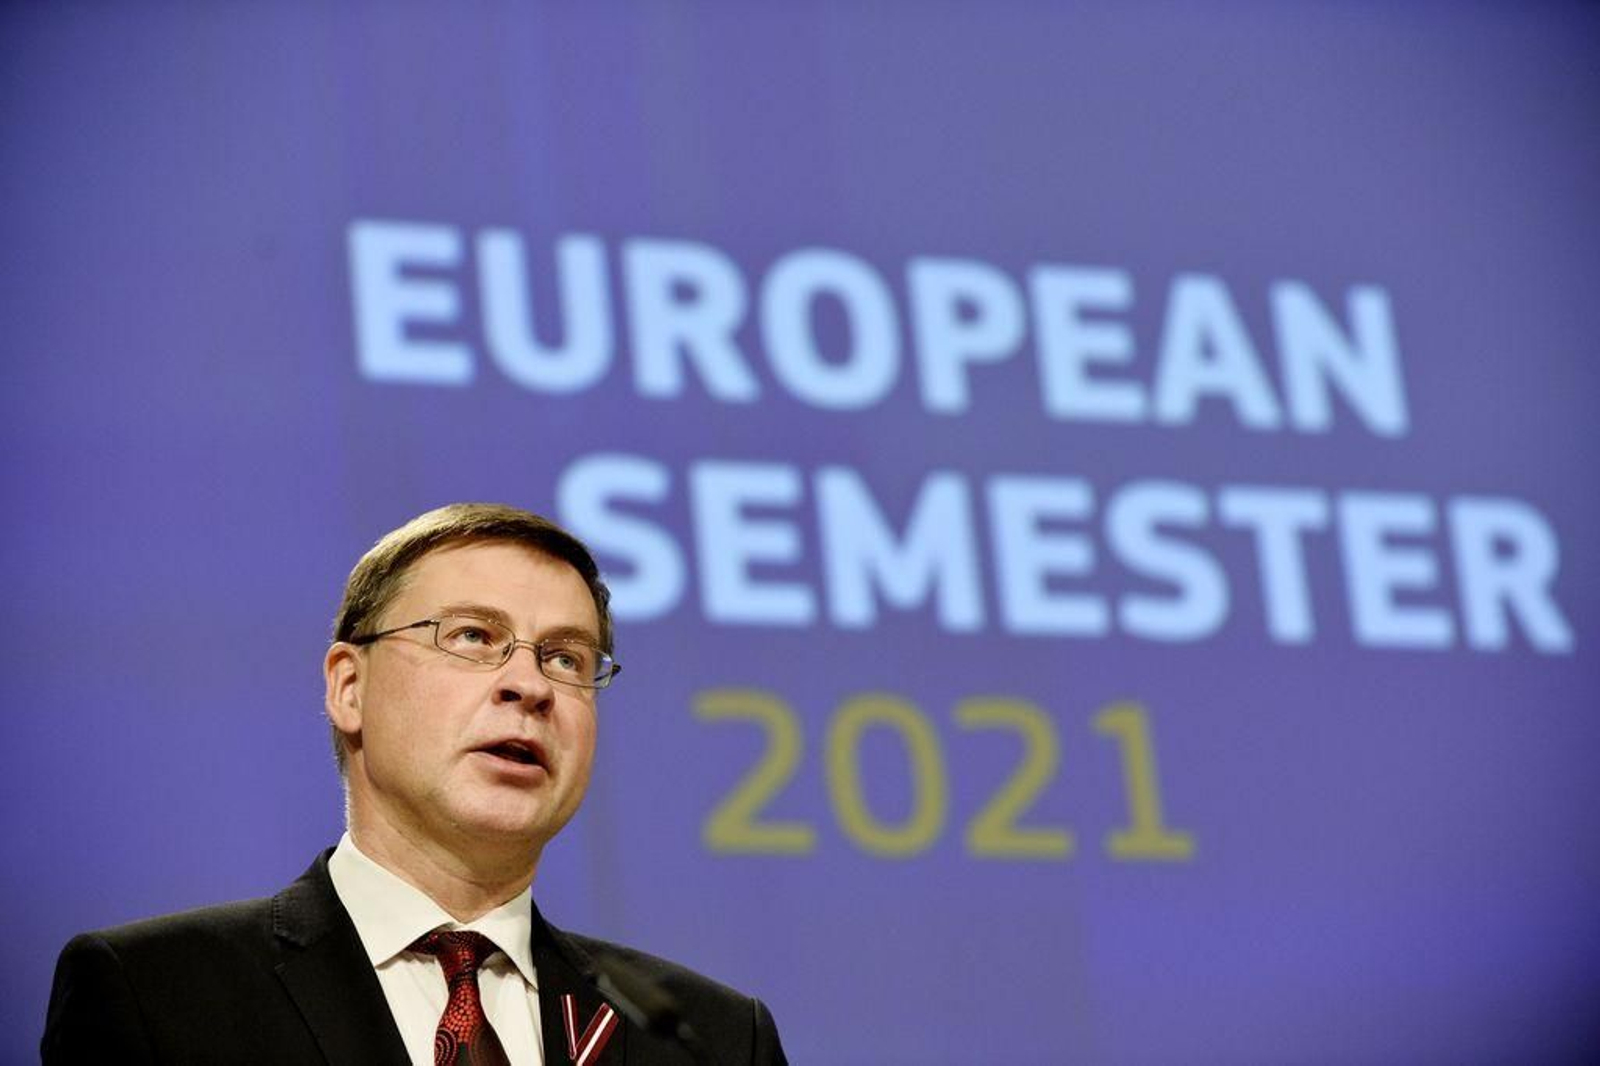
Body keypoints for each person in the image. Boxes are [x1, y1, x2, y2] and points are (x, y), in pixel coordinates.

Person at [42, 503, 788, 1065]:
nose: (530, 685)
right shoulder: (159, 995)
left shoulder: (711, 1040)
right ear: (349, 687)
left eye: (566, 658)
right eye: (472, 637)